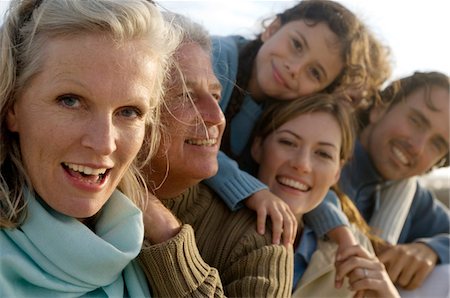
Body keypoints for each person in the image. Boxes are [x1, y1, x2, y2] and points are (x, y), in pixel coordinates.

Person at [0, 0, 179, 296]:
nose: (103, 142)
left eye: (129, 111)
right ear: (12, 108)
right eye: (70, 101)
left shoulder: (145, 245)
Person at [204, 0, 391, 247]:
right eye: (296, 44)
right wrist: (253, 191)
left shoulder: (284, 104)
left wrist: (341, 233)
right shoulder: (215, 58)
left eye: (315, 73)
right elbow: (188, 137)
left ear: (320, 91)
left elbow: (313, 184)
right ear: (272, 28)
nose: (295, 68)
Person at [137, 13, 293, 297]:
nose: (216, 117)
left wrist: (166, 232)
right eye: (185, 94)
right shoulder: (81, 193)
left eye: (216, 96)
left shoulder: (259, 239)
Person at [309, 71, 450, 293]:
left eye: (437, 144)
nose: (418, 146)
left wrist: (433, 249)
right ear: (380, 107)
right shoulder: (322, 146)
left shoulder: (410, 197)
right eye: (416, 121)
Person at [249, 94, 399, 297]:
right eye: (288, 142)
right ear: (258, 147)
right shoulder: (215, 224)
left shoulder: (354, 250)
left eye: (323, 154)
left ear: (337, 171)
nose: (302, 165)